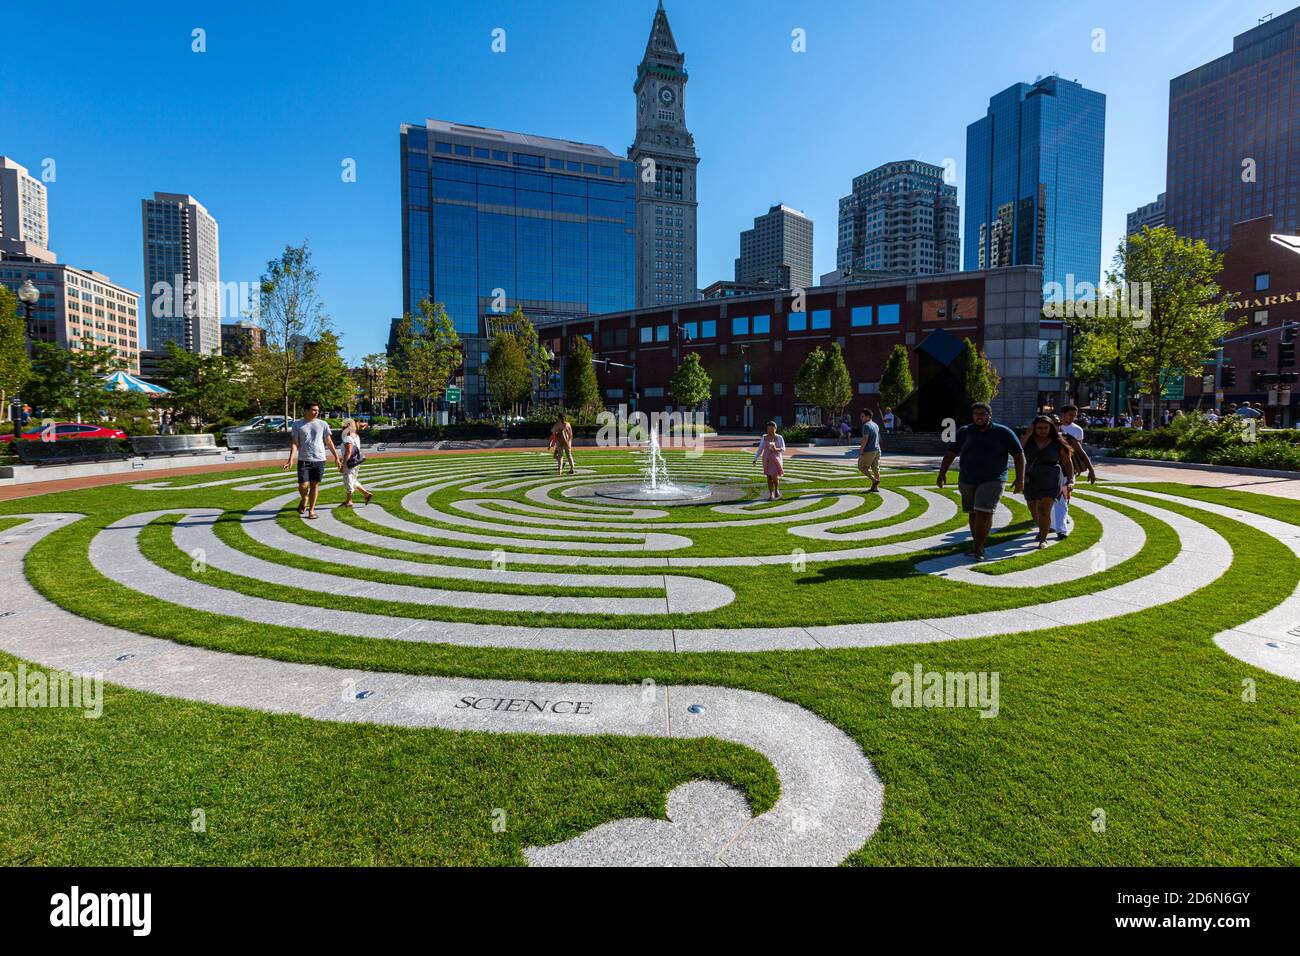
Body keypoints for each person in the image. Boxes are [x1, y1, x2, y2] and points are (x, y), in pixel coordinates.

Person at [936, 402, 1025, 562]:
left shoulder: (1003, 432)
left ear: (989, 415)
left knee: (984, 512)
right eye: (976, 414)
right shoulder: (965, 432)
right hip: (967, 478)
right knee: (973, 513)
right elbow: (951, 453)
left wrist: (1020, 479)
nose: (979, 416)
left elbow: (1019, 455)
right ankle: (977, 543)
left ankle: (979, 547)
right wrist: (942, 473)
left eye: (982, 413)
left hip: (993, 478)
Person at [1020, 415, 1074, 549]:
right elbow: (1017, 450)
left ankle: (1043, 539)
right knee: (1034, 510)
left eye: (1045, 427)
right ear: (1034, 428)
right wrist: (1028, 433)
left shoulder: (1058, 442)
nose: (1042, 430)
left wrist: (1071, 480)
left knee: (1044, 509)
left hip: (1051, 476)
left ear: (1051, 428)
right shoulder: (1028, 440)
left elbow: (1067, 462)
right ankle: (1043, 529)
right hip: (1030, 476)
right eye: (1039, 428)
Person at [282, 402, 340, 519]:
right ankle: (305, 498)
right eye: (313, 410)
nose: (316, 412)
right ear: (306, 410)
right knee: (302, 485)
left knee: (314, 485)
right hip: (304, 459)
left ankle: (312, 510)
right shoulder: (297, 425)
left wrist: (336, 457)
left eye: (317, 410)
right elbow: (294, 443)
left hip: (319, 459)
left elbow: (328, 441)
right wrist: (290, 459)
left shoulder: (323, 424)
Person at [1051, 404, 1096, 539]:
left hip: (1069, 468)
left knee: (1064, 497)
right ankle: (1052, 523)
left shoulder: (1074, 432)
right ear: (1062, 414)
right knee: (1050, 499)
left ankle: (1061, 526)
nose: (1072, 417)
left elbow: (1079, 451)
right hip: (1049, 471)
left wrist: (1089, 469)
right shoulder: (1045, 433)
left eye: (1074, 415)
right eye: (1070, 414)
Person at [338, 419, 372, 508]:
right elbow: (351, 451)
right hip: (356, 462)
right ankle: (366, 494)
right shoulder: (356, 436)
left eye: (344, 426)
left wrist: (343, 464)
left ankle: (349, 501)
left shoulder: (347, 438)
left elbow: (348, 452)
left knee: (348, 481)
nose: (342, 428)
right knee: (353, 480)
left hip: (350, 463)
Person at [754, 420, 787, 500]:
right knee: (769, 477)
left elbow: (783, 449)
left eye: (772, 430)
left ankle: (776, 489)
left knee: (774, 476)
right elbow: (760, 449)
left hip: (776, 459)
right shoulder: (764, 437)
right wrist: (755, 459)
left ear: (775, 429)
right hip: (766, 459)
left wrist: (776, 449)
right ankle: (771, 494)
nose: (770, 431)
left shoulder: (779, 437)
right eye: (768, 429)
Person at [857, 409, 881, 493]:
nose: (861, 418)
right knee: (876, 469)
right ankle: (875, 488)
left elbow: (865, 439)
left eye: (862, 416)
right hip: (877, 450)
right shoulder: (875, 425)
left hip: (869, 450)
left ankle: (874, 480)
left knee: (861, 467)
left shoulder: (866, 426)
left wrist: (861, 451)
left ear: (868, 417)